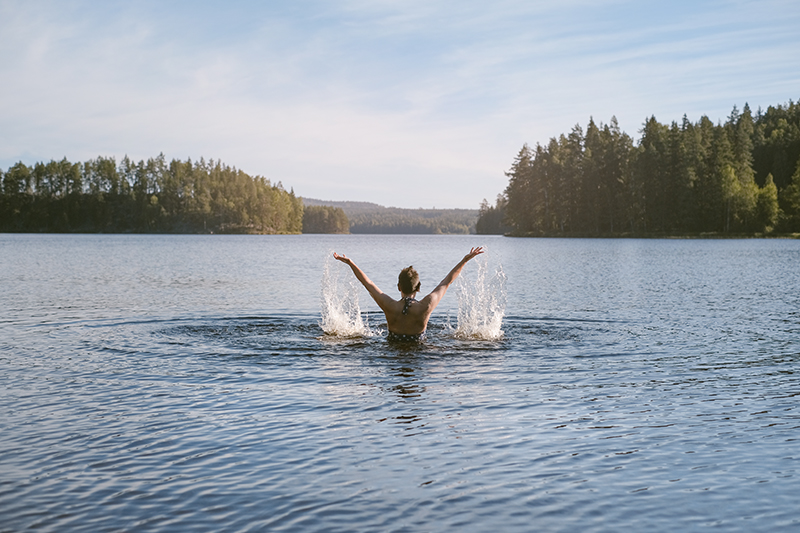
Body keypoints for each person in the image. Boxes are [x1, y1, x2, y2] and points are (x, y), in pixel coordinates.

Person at [333, 247, 484, 342]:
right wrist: (465, 260)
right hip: (419, 351)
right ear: (418, 287)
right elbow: (446, 282)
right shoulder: (426, 306)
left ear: (399, 286)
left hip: (393, 351)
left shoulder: (389, 305)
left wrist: (350, 263)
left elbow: (368, 284)